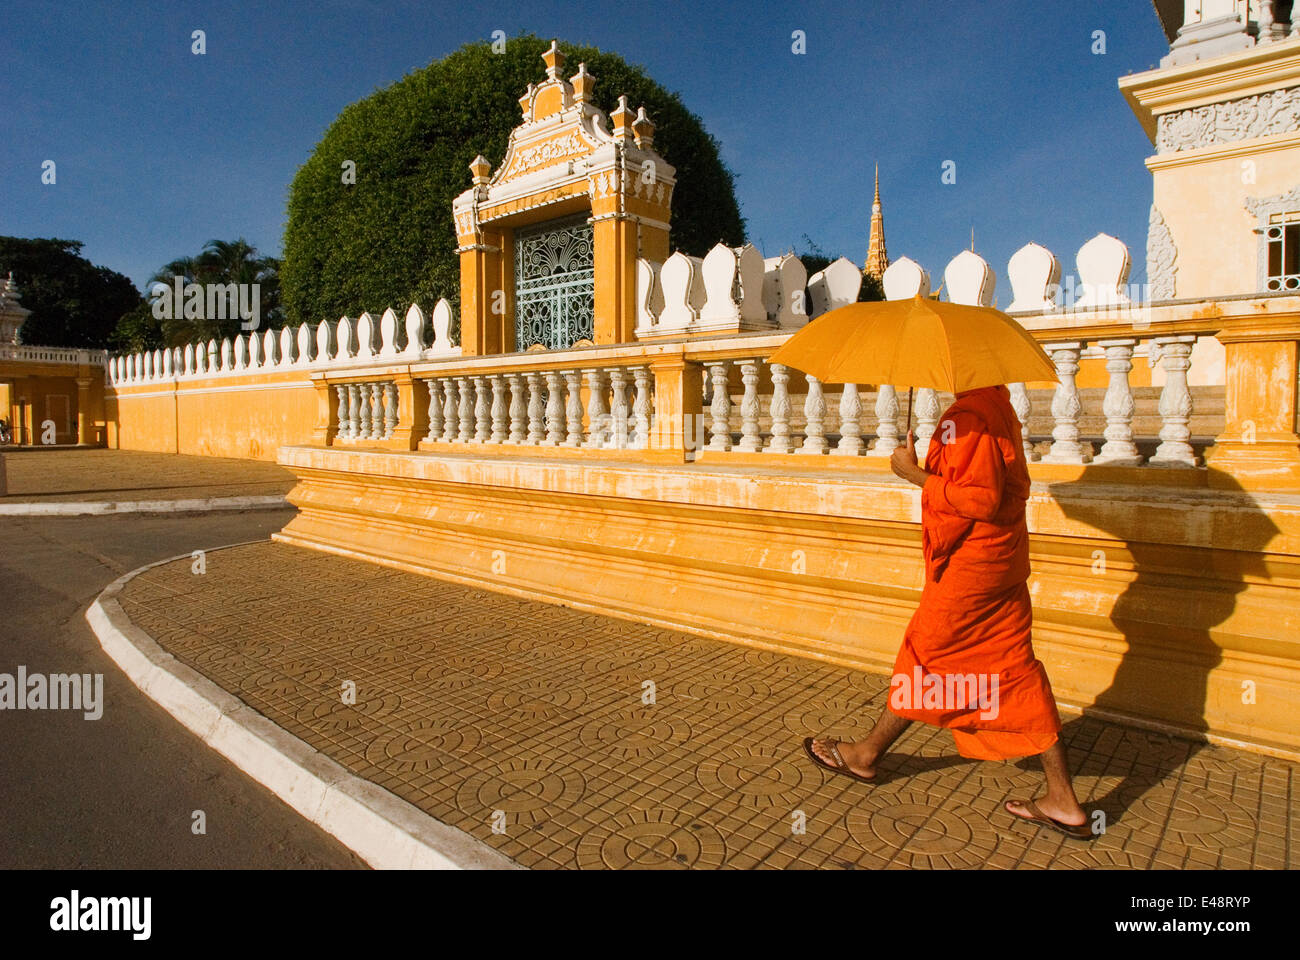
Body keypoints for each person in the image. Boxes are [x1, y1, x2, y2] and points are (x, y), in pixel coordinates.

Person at [804, 383, 1093, 840]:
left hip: (970, 568)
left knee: (924, 657)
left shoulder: (970, 417)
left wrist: (913, 474)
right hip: (1003, 559)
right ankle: (1062, 798)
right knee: (1013, 666)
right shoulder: (999, 407)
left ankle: (866, 754)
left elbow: (980, 500)